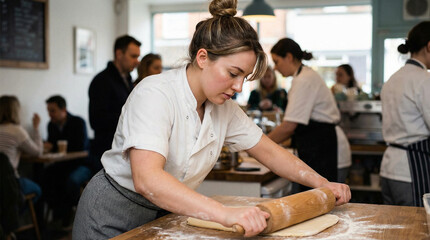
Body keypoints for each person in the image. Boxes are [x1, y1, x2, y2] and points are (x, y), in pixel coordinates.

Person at [73, 1, 351, 239]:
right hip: (111, 215)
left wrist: (321, 183)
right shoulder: (154, 93)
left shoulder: (223, 108)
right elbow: (147, 179)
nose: (240, 86)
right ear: (203, 57)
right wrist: (225, 214)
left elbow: (268, 150)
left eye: (245, 77)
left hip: (164, 215)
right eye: (233, 73)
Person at [267, 38, 351, 191]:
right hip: (318, 144)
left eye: (277, 61)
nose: (275, 68)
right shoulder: (302, 76)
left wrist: (260, 144)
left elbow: (289, 126)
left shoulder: (304, 80)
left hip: (322, 145)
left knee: (322, 199)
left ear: (289, 57)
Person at [380, 21, 430, 207]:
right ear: (429, 46)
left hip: (388, 169)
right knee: (416, 231)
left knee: (393, 229)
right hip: (411, 170)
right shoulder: (424, 80)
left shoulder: (393, 79)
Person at [88, 35, 141, 173]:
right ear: (119, 54)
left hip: (124, 150)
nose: (137, 61)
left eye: (138, 57)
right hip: (107, 153)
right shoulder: (102, 81)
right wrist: (130, 116)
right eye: (133, 56)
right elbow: (96, 120)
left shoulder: (128, 80)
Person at [42, 95, 92, 227]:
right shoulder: (51, 125)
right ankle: (59, 214)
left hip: (82, 163)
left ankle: (75, 214)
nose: (50, 114)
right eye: (48, 111)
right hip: (63, 164)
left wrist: (54, 146)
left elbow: (81, 147)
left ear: (63, 110)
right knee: (46, 176)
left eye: (53, 111)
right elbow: (52, 145)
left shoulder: (77, 122)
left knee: (71, 180)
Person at [0, 96, 43, 202]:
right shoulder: (17, 131)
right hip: (9, 183)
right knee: (37, 190)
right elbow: (38, 152)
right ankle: (15, 215)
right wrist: (36, 128)